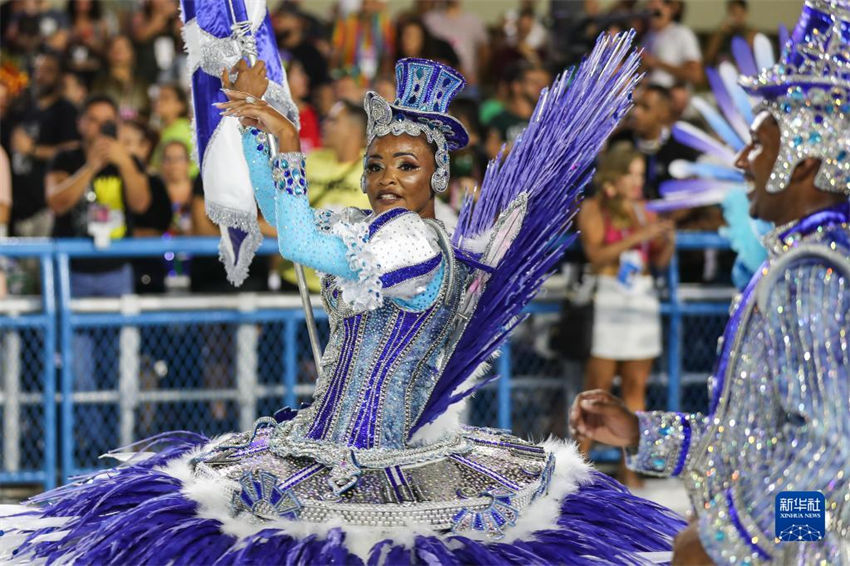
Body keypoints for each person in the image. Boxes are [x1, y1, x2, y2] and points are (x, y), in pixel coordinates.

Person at [1, 35, 685, 564]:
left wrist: (290, 135)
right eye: (378, 164)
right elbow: (277, 213)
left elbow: (298, 243)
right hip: (311, 451)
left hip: (379, 478)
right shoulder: (368, 231)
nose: (387, 178)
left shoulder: (413, 245)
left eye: (407, 166)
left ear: (436, 178)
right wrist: (255, 124)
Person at [571, 2, 850, 563]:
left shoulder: (815, 274)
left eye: (759, 145)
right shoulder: (804, 260)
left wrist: (736, 538)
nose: (742, 161)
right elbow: (750, 441)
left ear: (801, 164)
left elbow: (831, 449)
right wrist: (640, 434)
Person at [576, 142, 675, 488]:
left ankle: (631, 470)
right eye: (630, 174)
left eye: (639, 174)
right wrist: (640, 235)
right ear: (613, 176)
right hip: (610, 299)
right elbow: (597, 255)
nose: (637, 181)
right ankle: (578, 470)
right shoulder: (593, 208)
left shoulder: (643, 210)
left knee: (636, 388)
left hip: (642, 300)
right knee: (597, 388)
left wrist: (666, 241)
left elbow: (658, 262)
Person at [278, 99, 370, 293]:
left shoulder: (373, 169)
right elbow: (283, 206)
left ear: (354, 130)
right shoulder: (311, 160)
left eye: (333, 121)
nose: (324, 125)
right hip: (297, 278)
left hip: (344, 285)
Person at [7, 50, 79, 240]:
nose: (40, 76)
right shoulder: (21, 109)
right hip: (15, 210)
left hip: (46, 211)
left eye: (48, 71)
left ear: (60, 76)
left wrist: (33, 150)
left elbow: (72, 152)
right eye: (37, 70)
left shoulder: (67, 111)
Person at [485, 61, 550, 158]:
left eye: (544, 83)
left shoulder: (546, 118)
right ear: (517, 86)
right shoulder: (500, 119)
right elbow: (492, 151)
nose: (541, 87)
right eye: (534, 82)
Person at [641, 0, 703, 88]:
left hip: (670, 95)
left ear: (670, 9)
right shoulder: (647, 37)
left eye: (656, 11)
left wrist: (656, 63)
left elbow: (696, 75)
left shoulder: (682, 34)